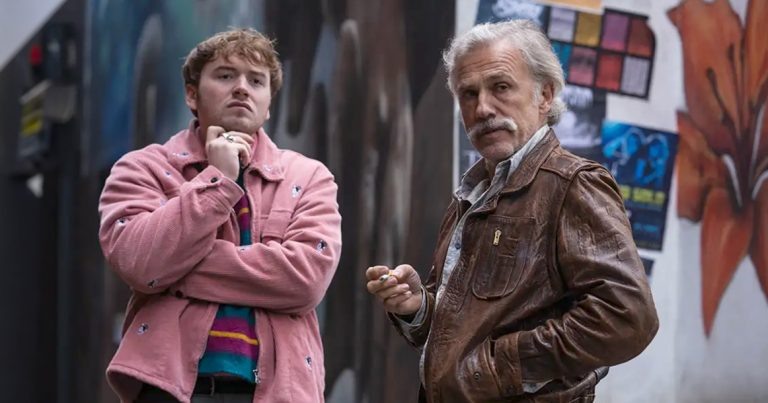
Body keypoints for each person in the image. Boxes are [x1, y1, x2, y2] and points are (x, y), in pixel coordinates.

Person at [366, 20, 658, 402]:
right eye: (468, 94)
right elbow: (471, 327)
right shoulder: (473, 192)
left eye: (500, 87)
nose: (482, 108)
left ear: (545, 95)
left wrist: (498, 365)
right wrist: (418, 307)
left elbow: (628, 318)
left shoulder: (572, 184)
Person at [99, 28, 341, 402]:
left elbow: (305, 281)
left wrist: (178, 269)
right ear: (191, 95)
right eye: (226, 76)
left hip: (278, 392)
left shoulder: (309, 177)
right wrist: (218, 181)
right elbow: (142, 263)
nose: (242, 88)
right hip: (170, 390)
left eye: (256, 81)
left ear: (268, 104)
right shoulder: (142, 168)